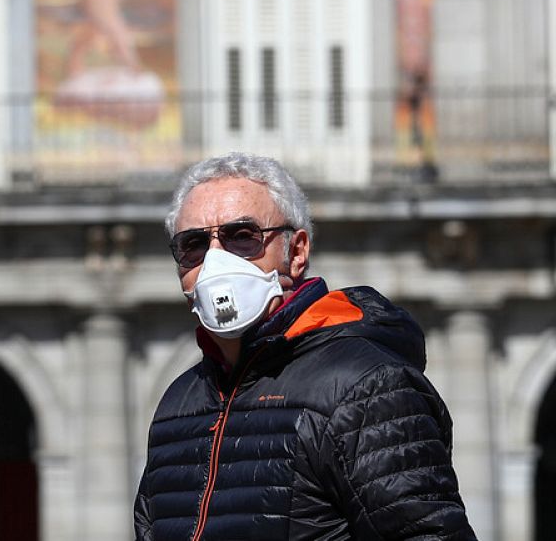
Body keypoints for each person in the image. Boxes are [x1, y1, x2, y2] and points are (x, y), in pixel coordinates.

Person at [134, 152, 477, 541]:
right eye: (193, 245)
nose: (215, 261)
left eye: (242, 237)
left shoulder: (364, 388)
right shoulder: (178, 404)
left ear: (296, 252)